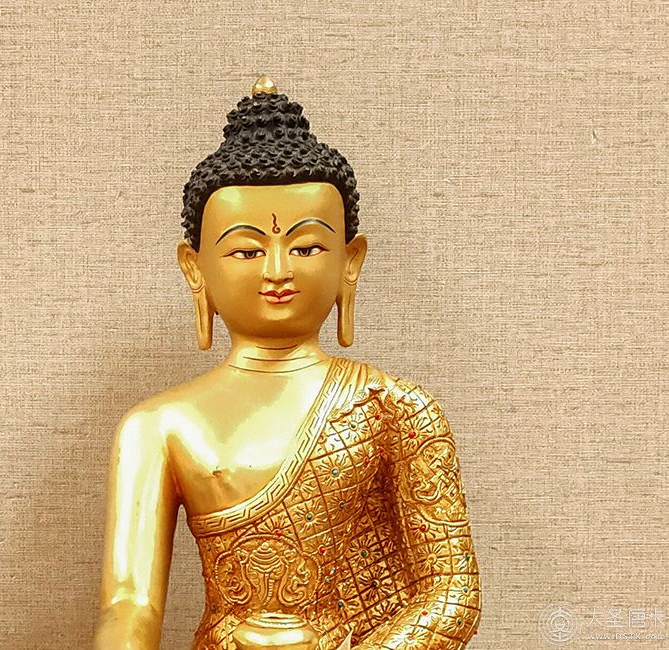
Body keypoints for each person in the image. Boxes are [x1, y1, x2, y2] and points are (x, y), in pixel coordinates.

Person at [96, 76, 482, 649]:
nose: (277, 270)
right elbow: (130, 602)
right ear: (195, 269)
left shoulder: (396, 409)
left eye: (306, 246)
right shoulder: (158, 426)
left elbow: (453, 595)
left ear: (350, 261)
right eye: (246, 250)